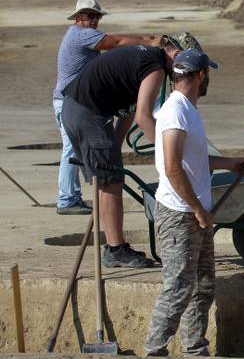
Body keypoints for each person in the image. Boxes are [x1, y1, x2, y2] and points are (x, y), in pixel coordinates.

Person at [144, 49, 244, 356]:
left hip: (193, 212)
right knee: (178, 288)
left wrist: (229, 164)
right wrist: (199, 209)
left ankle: (194, 348)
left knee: (202, 286)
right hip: (180, 215)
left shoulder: (188, 110)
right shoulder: (175, 112)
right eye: (208, 74)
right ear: (201, 75)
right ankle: (154, 351)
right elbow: (172, 167)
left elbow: (193, 161)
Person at [61, 36, 187, 268]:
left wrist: (114, 150)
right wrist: (169, 153)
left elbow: (130, 111)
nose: (182, 74)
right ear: (176, 55)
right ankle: (116, 249)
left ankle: (114, 246)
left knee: (108, 177)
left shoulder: (143, 58)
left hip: (76, 109)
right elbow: (144, 118)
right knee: (110, 182)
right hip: (88, 113)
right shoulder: (156, 67)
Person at [53, 0, 160, 215]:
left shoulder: (82, 34)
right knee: (71, 150)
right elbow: (116, 43)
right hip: (70, 101)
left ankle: (73, 197)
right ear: (78, 17)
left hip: (79, 101)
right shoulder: (81, 34)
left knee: (76, 150)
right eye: (89, 16)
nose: (93, 20)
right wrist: (148, 41)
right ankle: (67, 200)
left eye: (96, 16)